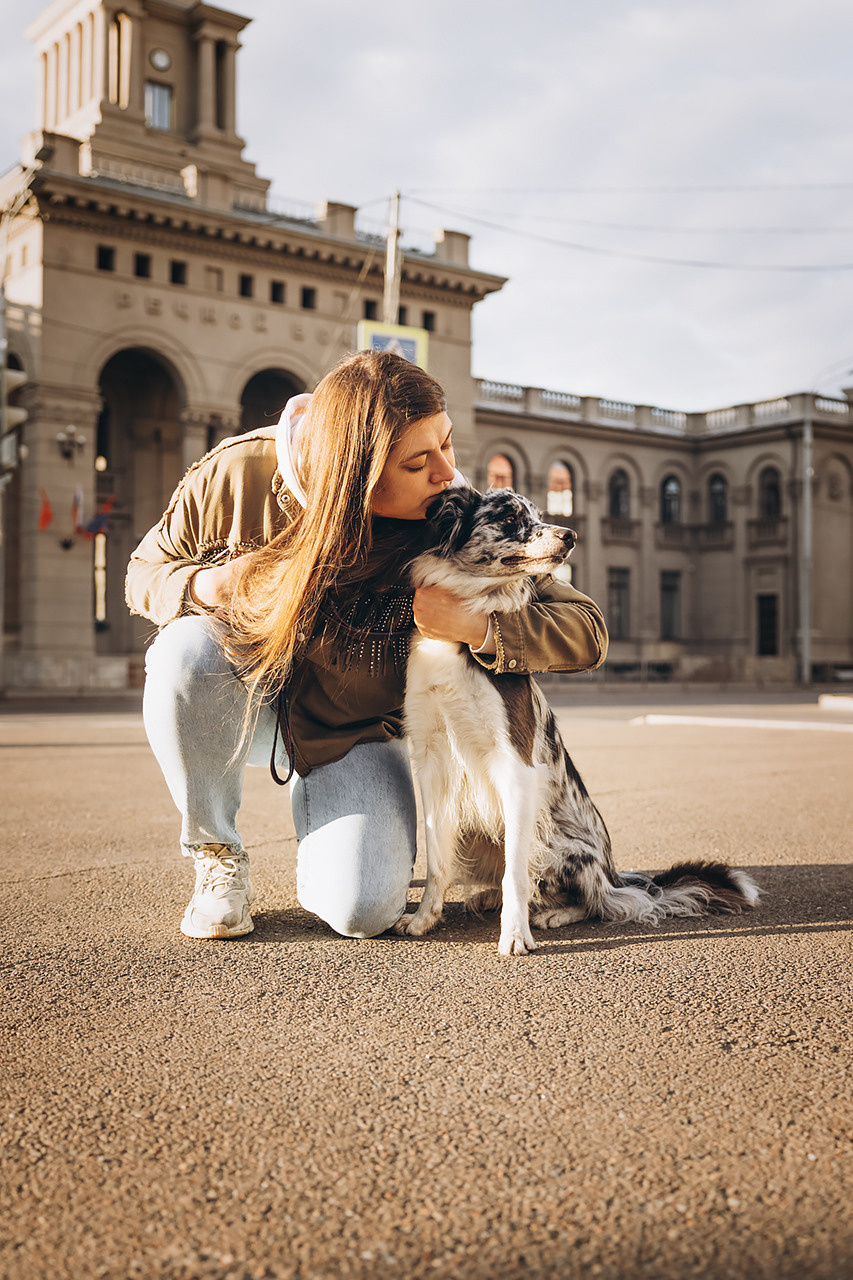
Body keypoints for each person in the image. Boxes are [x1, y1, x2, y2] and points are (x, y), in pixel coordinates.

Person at [126, 350, 608, 942]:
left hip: (351, 733)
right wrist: (209, 583)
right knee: (183, 651)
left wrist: (475, 626)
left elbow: (586, 627)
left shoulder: (447, 515)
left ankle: (348, 829)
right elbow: (144, 573)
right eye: (417, 462)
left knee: (363, 909)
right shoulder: (240, 474)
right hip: (245, 704)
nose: (446, 473)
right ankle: (215, 854)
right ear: (356, 474)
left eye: (447, 445)